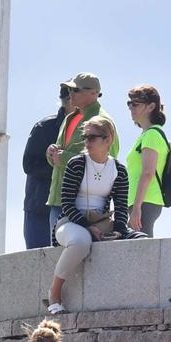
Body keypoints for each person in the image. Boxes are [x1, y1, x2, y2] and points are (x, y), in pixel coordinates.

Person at [47, 115, 140, 315]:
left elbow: (122, 207)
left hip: (102, 221)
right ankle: (54, 293)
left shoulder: (119, 171)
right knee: (81, 241)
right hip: (71, 221)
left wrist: (118, 231)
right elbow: (67, 203)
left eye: (92, 137)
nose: (86, 142)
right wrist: (87, 226)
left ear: (108, 140)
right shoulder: (76, 163)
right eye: (85, 137)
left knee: (140, 239)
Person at [44, 76, 116, 244]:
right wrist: (51, 153)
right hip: (58, 199)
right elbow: (60, 157)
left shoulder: (103, 120)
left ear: (94, 93)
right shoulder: (70, 117)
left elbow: (107, 158)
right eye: (69, 90)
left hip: (85, 205)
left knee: (83, 255)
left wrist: (66, 158)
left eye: (75, 90)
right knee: (58, 255)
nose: (70, 94)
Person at [20, 90, 67, 250]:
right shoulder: (44, 127)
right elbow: (29, 164)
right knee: (38, 264)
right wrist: (59, 169)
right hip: (40, 209)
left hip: (71, 210)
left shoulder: (88, 129)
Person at [124, 84, 171, 236]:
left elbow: (148, 172)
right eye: (129, 103)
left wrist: (137, 207)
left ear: (151, 106)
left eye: (135, 104)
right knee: (139, 248)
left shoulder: (152, 134)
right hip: (142, 201)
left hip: (145, 201)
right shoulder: (147, 134)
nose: (131, 107)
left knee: (141, 250)